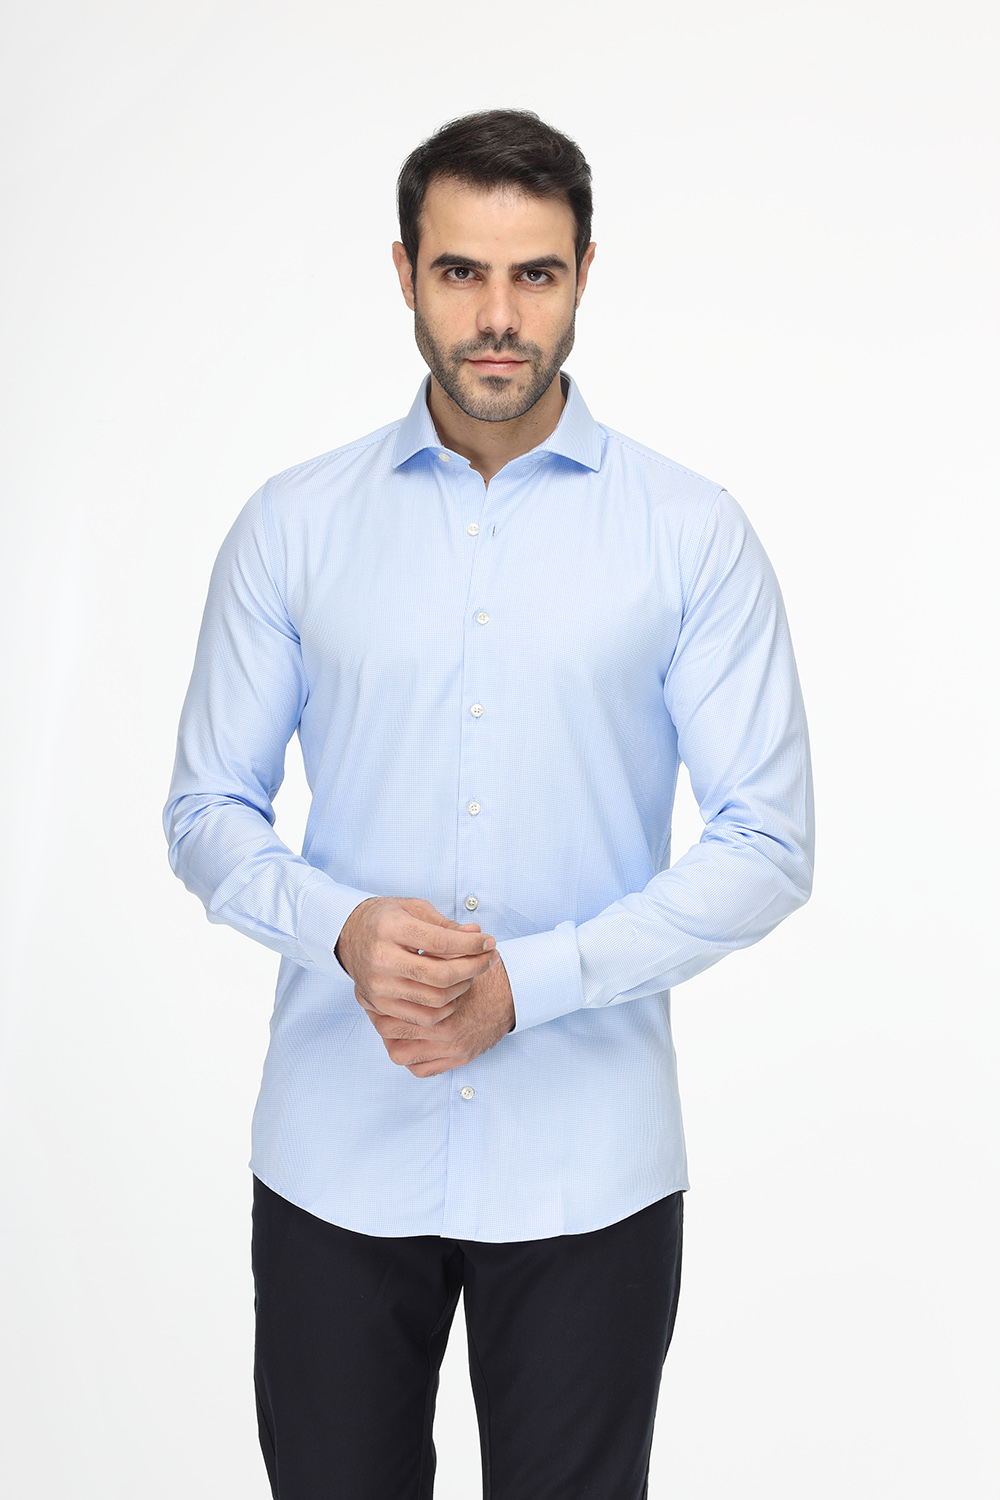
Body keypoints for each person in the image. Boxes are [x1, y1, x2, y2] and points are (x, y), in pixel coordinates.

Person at [163, 108, 814, 1500]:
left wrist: (534, 982)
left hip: (591, 1172)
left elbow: (767, 841)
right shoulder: (294, 525)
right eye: (462, 272)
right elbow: (209, 808)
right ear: (405, 271)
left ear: (585, 276)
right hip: (337, 1156)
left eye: (535, 275)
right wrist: (340, 930)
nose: (500, 318)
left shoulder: (691, 535)